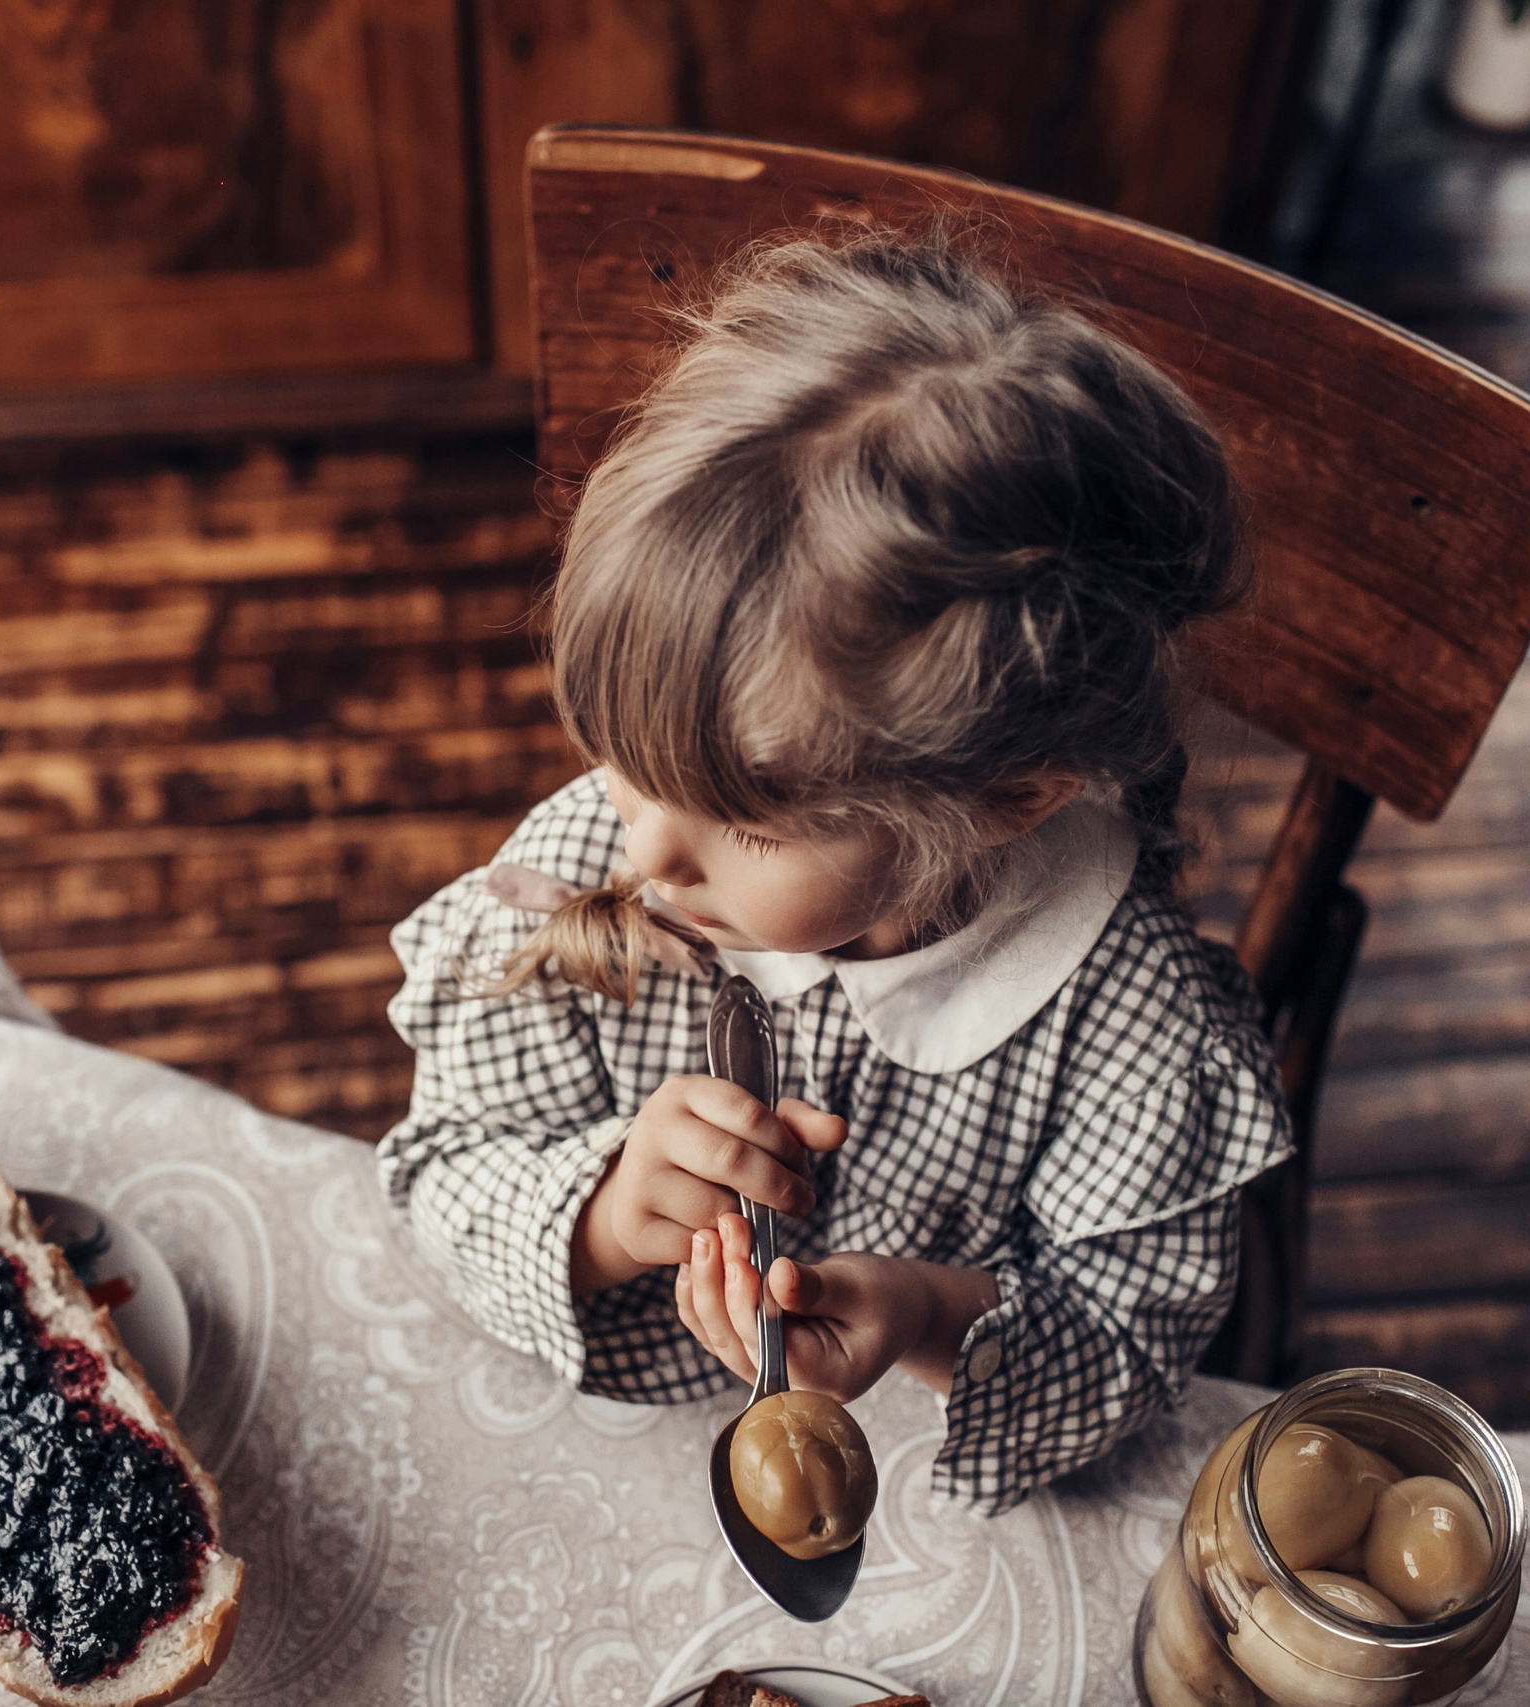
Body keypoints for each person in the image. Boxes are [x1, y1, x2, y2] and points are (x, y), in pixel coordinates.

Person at [377, 229, 1291, 1514]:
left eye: (748, 821)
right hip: (589, 1448)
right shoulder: (598, 875)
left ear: (1001, 801)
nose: (645, 852)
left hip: (923, 1484)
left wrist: (922, 1311)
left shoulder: (1122, 1019)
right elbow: (444, 1168)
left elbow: (1130, 1345)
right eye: (628, 765)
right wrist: (602, 1215)